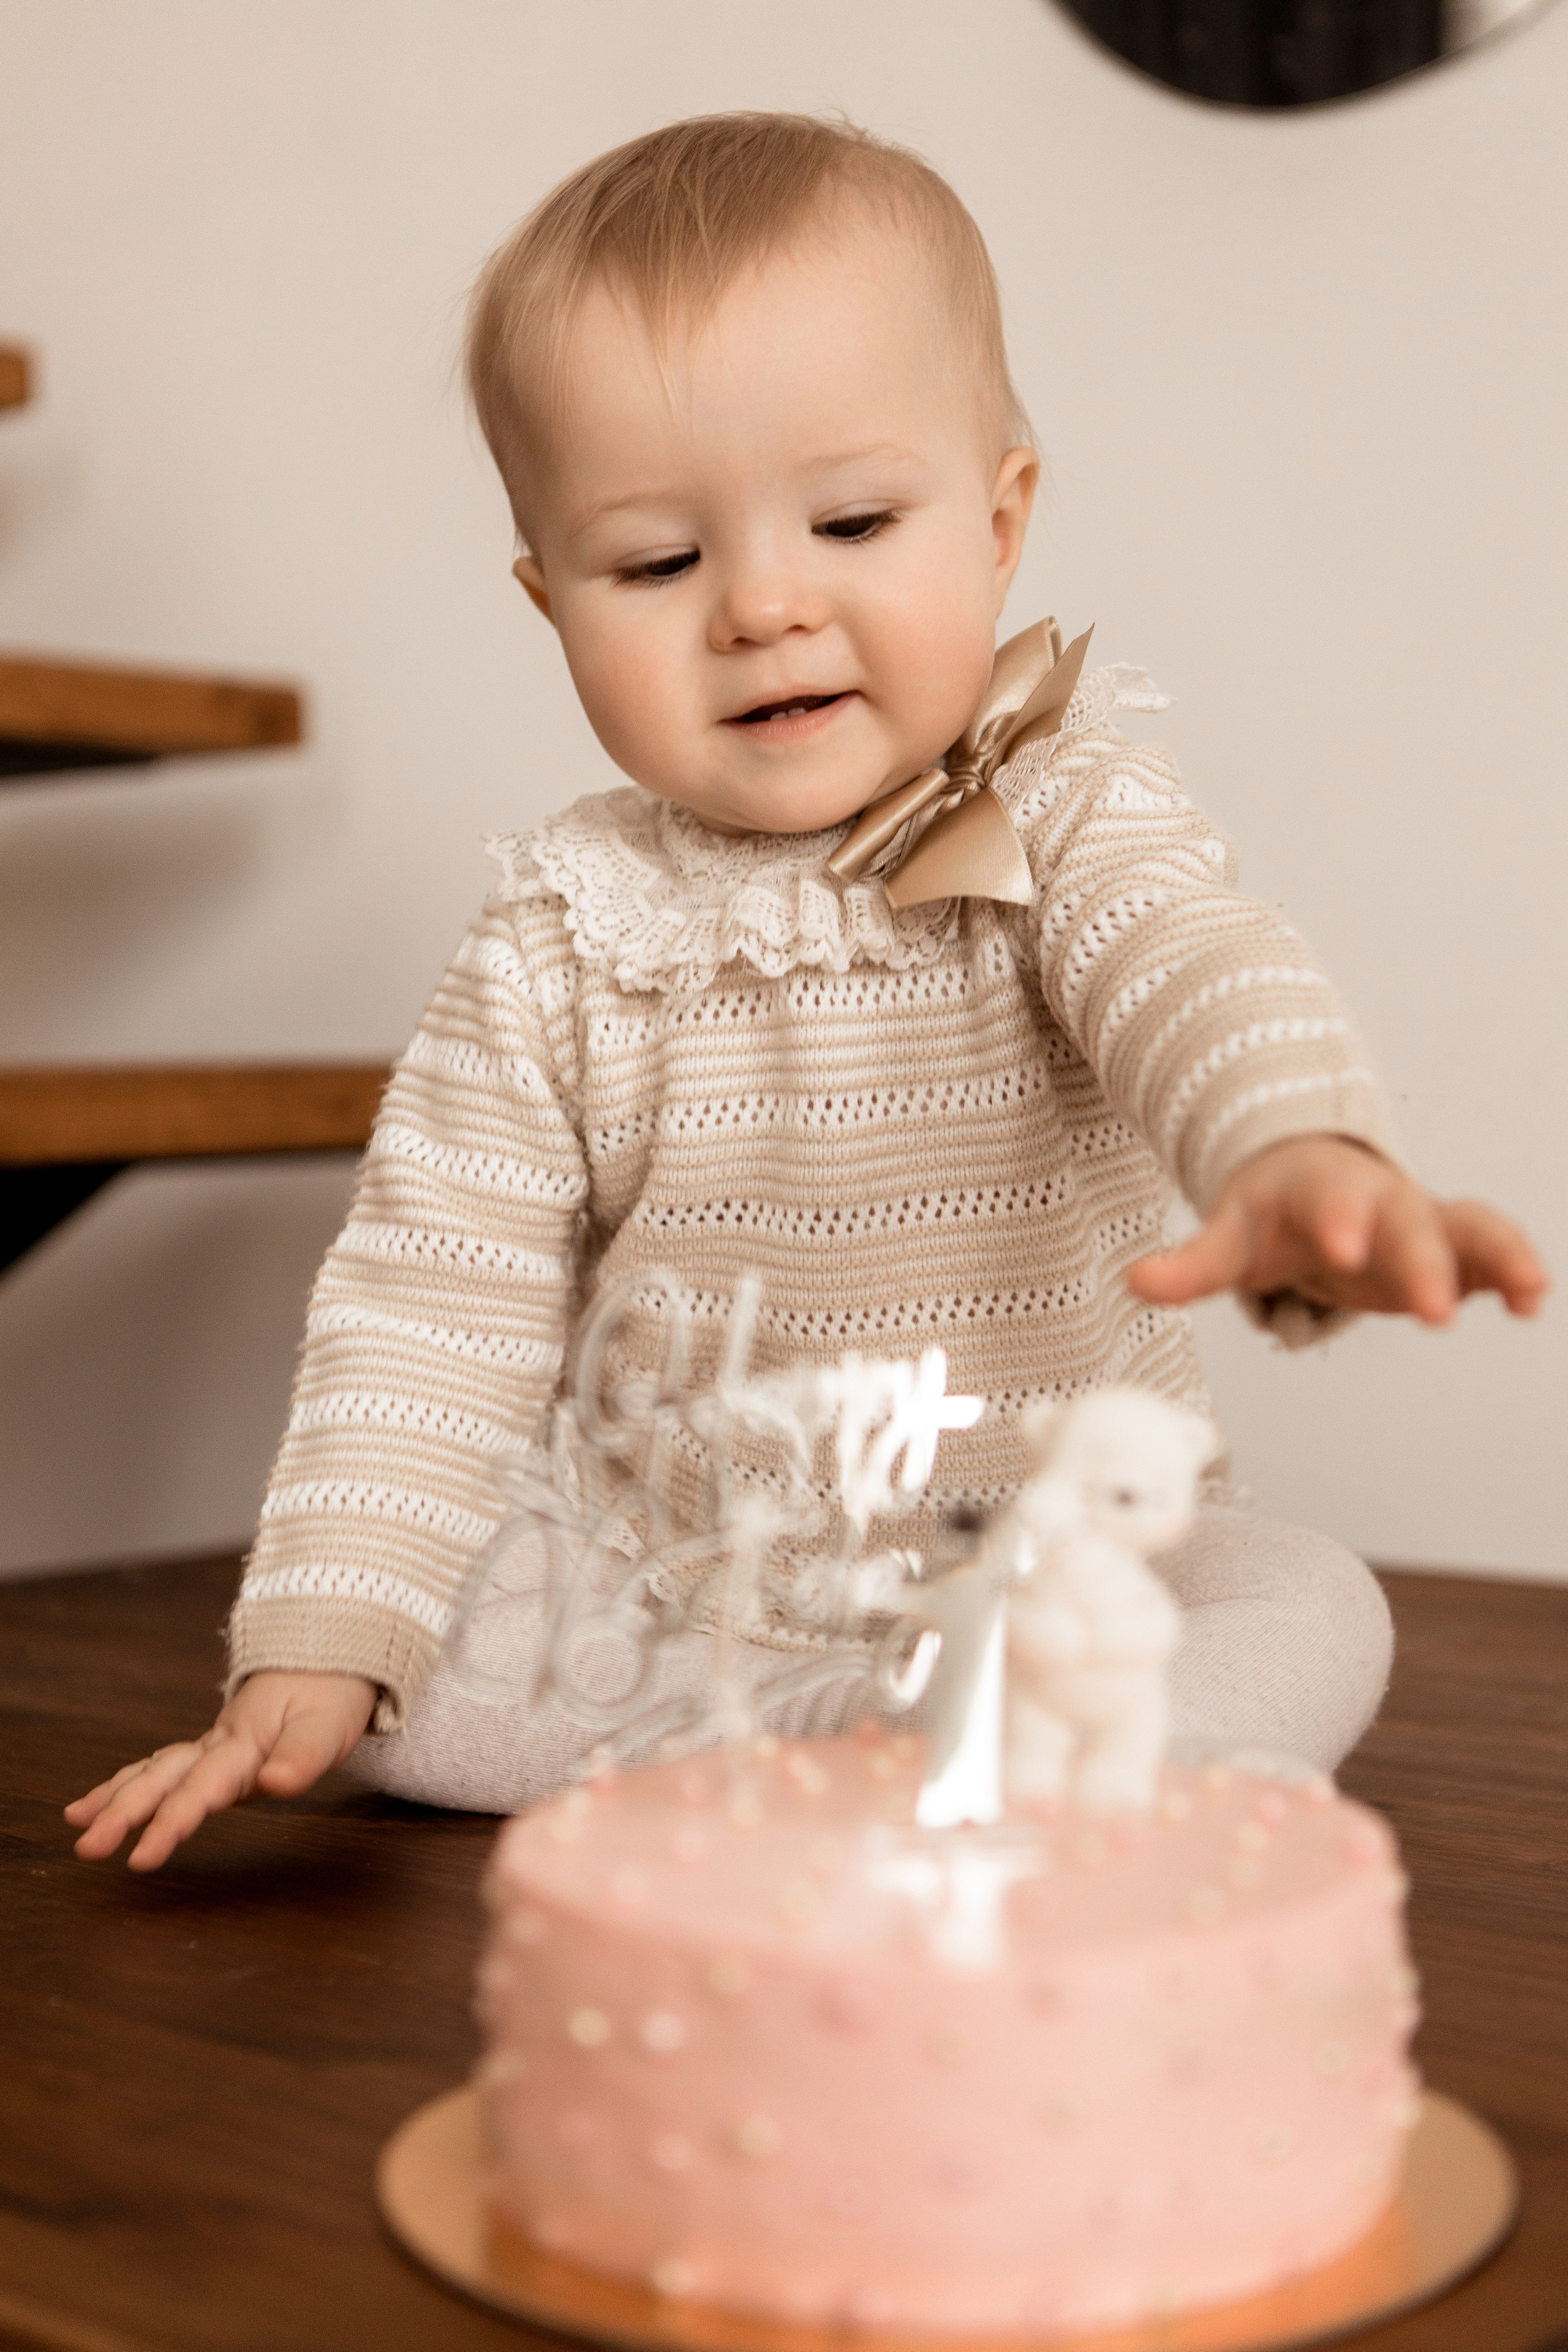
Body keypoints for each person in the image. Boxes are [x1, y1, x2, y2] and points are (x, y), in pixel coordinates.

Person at [68, 113, 1546, 1872]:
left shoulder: (1058, 814)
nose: (765, 605)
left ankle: (977, 1736)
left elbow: (1196, 976)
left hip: (1047, 1564)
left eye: (851, 519)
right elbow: (427, 1298)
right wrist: (322, 1633)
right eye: (656, 563)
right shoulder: (563, 928)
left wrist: (1295, 1150)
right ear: (550, 602)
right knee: (407, 1650)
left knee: (1301, 1603)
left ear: (999, 523)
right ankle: (885, 1749)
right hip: (686, 1581)